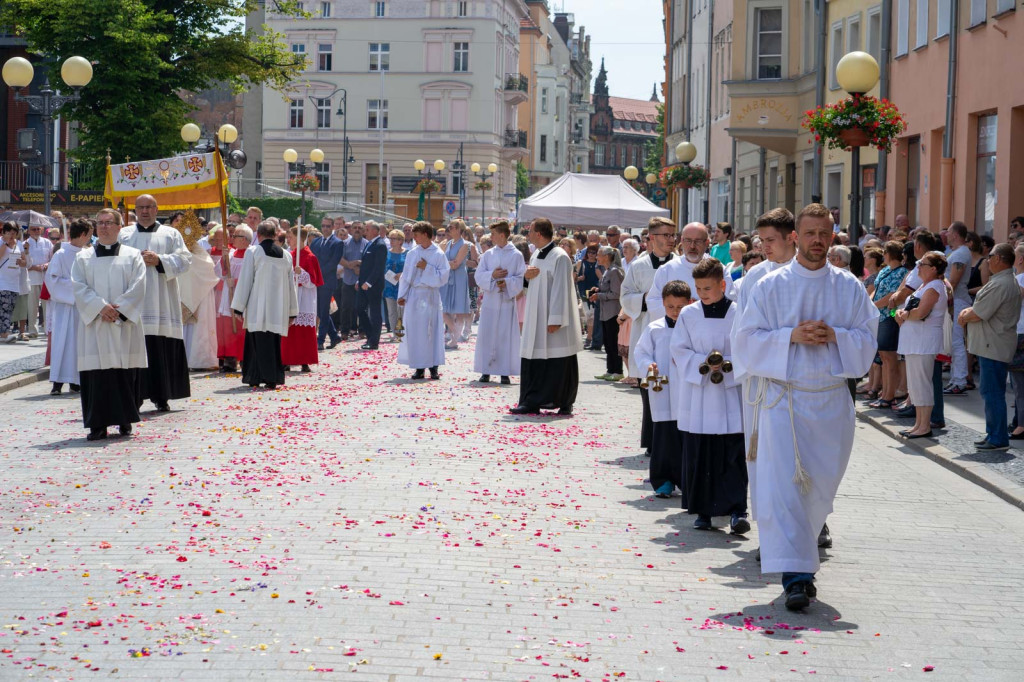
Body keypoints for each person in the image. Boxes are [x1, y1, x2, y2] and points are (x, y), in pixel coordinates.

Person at [733, 203, 878, 611]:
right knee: (785, 492)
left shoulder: (848, 286)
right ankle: (797, 578)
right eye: (811, 233)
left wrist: (836, 336)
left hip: (831, 401)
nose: (818, 240)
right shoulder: (770, 285)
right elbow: (744, 341)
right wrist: (789, 337)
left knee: (819, 493)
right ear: (796, 236)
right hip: (784, 402)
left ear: (834, 236)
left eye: (825, 233)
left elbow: (868, 338)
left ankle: (803, 559)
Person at [672, 258, 749, 534]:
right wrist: (702, 364)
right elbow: (679, 349)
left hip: (730, 394)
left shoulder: (739, 313)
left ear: (723, 285)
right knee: (700, 453)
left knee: (732, 452)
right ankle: (703, 511)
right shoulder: (689, 314)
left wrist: (727, 364)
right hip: (701, 394)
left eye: (708, 288)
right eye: (699, 288)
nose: (703, 294)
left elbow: (747, 348)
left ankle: (737, 510)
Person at [72, 208, 148, 441]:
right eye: (100, 223)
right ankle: (97, 424)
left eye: (108, 222)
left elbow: (139, 285)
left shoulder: (133, 255)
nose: (103, 227)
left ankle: (125, 419)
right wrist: (100, 307)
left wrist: (119, 310)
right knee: (96, 375)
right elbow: (78, 286)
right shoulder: (82, 257)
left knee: (124, 373)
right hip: (95, 325)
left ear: (118, 226)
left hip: (123, 325)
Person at [119, 194, 192, 412]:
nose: (144, 211)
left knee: (160, 349)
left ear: (156, 208)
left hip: (162, 300)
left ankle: (162, 396)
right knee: (135, 349)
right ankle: (135, 395)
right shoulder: (124, 234)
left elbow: (185, 260)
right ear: (135, 209)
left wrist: (160, 260)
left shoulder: (171, 233)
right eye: (140, 207)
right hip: (135, 301)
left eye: (149, 207)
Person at [511, 218, 584, 415]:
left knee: (558, 360)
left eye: (531, 231)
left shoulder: (560, 257)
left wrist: (556, 319)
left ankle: (564, 401)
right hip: (535, 316)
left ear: (540, 234)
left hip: (552, 321)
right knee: (534, 359)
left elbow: (562, 290)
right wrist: (526, 278)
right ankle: (531, 400)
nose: (528, 234)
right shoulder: (536, 253)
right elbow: (531, 283)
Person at [957, 243, 1022, 451]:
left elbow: (979, 312)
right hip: (991, 344)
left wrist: (965, 314)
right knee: (991, 391)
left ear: (998, 259)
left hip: (993, 345)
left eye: (990, 256)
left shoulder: (1001, 283)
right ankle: (993, 433)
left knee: (992, 392)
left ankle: (997, 437)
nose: (987, 260)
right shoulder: (1001, 281)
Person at [621, 217, 677, 454]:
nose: (671, 240)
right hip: (647, 331)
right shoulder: (639, 266)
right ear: (652, 238)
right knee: (651, 388)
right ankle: (653, 441)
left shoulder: (680, 265)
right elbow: (625, 296)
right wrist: (644, 300)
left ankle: (675, 439)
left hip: (675, 334)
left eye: (673, 235)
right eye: (666, 235)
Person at [633, 280, 691, 498]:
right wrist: (648, 365)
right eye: (670, 307)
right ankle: (663, 480)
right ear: (664, 305)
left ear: (689, 303)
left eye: (680, 307)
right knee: (664, 437)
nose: (675, 312)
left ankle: (686, 480)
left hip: (686, 390)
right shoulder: (654, 328)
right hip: (663, 390)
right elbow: (642, 352)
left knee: (686, 437)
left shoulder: (693, 327)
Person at [231, 220, 298, 390]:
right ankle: (273, 377)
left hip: (257, 307)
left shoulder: (253, 252)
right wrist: (291, 311)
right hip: (278, 309)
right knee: (273, 343)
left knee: (255, 343)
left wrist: (238, 306)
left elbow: (246, 279)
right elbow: (292, 286)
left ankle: (254, 377)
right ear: (275, 235)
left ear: (258, 235)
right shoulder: (286, 255)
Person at [894, 251, 948, 439]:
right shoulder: (925, 286)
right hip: (914, 341)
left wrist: (904, 315)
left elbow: (922, 312)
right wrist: (903, 314)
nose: (919, 267)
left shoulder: (934, 286)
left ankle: (924, 425)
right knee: (915, 385)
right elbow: (912, 311)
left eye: (923, 264)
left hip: (923, 342)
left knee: (922, 384)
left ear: (933, 269)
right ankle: (918, 423)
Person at [473, 220, 526, 384]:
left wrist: (508, 283)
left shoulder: (516, 255)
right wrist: (493, 276)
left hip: (506, 301)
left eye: (494, 234)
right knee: (487, 334)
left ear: (502, 235)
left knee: (505, 336)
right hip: (490, 300)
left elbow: (520, 277)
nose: (491, 237)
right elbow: (478, 275)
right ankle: (486, 370)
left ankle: (505, 371)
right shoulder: (488, 254)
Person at [397, 221, 450, 380]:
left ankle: (433, 367)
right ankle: (419, 367)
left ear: (425, 235)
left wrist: (426, 268)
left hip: (430, 295)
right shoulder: (412, 253)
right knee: (416, 331)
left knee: (431, 331)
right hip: (414, 295)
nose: (414, 237)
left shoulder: (438, 254)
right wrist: (402, 295)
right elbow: (406, 276)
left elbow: (443, 277)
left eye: (417, 234)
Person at [45, 218, 91, 394]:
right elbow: (52, 280)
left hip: (83, 307)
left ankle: (75, 381)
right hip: (65, 306)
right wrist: (76, 289)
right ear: (82, 235)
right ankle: (57, 382)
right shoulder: (61, 255)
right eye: (89, 235)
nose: (90, 238)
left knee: (78, 344)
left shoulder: (88, 254)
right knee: (62, 342)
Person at [647, 222, 729, 320]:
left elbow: (729, 300)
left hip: (708, 328)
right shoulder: (667, 269)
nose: (692, 246)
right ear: (681, 241)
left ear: (707, 243)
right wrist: (679, 310)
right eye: (688, 240)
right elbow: (653, 302)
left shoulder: (719, 269)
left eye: (697, 241)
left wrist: (700, 308)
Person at [869, 241, 908, 410]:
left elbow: (893, 295)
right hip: (879, 316)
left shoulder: (901, 272)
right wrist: (869, 302)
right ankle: (885, 393)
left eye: (885, 252)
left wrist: (874, 305)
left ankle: (889, 395)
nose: (883, 255)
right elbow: (876, 289)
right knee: (883, 357)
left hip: (888, 317)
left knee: (890, 357)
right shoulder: (885, 270)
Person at [281, 226, 323, 372]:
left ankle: (304, 360)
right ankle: (286, 359)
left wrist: (302, 273)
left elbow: (313, 281)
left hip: (304, 296)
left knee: (303, 331)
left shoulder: (310, 257)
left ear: (300, 239)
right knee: (289, 329)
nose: (288, 240)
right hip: (291, 295)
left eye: (291, 237)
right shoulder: (289, 255)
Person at [178, 229, 219, 371]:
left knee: (196, 330)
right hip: (180, 297)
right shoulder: (177, 255)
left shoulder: (203, 257)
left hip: (199, 299)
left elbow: (209, 273)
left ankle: (196, 360)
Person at [214, 225, 251, 372]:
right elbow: (219, 271)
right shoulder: (231, 254)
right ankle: (229, 359)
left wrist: (235, 282)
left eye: (235, 236)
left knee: (241, 330)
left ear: (245, 239)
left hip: (242, 297)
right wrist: (224, 258)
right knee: (228, 329)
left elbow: (252, 276)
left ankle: (244, 359)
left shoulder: (251, 255)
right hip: (228, 296)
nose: (232, 238)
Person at [945, 221, 973, 395]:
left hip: (958, 301)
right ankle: (956, 379)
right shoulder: (958, 252)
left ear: (955, 234)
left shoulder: (961, 253)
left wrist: (947, 300)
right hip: (955, 300)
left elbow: (953, 281)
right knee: (955, 342)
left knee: (957, 342)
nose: (946, 235)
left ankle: (960, 380)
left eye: (948, 231)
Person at [591, 246, 625, 381]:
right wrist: (598, 289)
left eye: (599, 254)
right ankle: (610, 369)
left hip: (613, 312)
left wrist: (599, 295)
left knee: (613, 342)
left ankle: (618, 371)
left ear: (606, 256)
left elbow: (616, 293)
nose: (596, 257)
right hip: (605, 312)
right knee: (607, 342)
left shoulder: (615, 271)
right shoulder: (607, 271)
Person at [309, 217, 344, 349]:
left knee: (323, 311)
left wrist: (316, 273)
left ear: (333, 227)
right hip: (316, 281)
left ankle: (320, 340)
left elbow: (333, 263)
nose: (325, 228)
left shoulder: (338, 243)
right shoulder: (316, 242)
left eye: (328, 226)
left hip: (327, 281)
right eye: (323, 226)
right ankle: (334, 336)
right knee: (320, 311)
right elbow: (311, 259)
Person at [440, 219, 472, 350]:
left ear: (459, 229)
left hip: (458, 278)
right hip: (447, 278)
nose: (449, 229)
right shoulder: (447, 243)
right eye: (448, 227)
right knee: (443, 308)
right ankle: (454, 332)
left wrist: (447, 264)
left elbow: (457, 263)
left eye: (451, 227)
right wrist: (449, 263)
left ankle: (454, 340)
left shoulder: (465, 244)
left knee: (458, 310)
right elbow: (444, 261)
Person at [357, 221, 388, 350]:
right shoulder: (369, 244)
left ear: (375, 231)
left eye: (368, 229)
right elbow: (365, 266)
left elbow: (378, 268)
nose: (365, 231)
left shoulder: (380, 245)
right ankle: (370, 336)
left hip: (373, 285)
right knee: (359, 308)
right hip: (364, 283)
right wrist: (360, 281)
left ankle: (374, 341)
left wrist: (368, 282)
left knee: (375, 313)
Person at [23, 222, 53, 337]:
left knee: (47, 306)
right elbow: (23, 261)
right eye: (33, 229)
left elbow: (52, 259)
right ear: (29, 231)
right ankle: (32, 330)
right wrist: (34, 267)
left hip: (45, 278)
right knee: (32, 306)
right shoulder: (25, 244)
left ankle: (47, 329)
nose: (36, 231)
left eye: (38, 229)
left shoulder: (47, 242)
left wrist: (45, 265)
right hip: (31, 278)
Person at [0, 222, 27, 343]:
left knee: (10, 308)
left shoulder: (19, 244)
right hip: (2, 281)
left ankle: (4, 331)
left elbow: (24, 262)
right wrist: (6, 244)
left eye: (14, 233)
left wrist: (21, 262)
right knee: (4, 307)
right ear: (3, 232)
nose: (12, 235)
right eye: (9, 232)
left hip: (14, 282)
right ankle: (5, 333)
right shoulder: (1, 242)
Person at [337, 222, 365, 339]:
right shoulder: (344, 244)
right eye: (355, 228)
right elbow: (339, 258)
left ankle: (363, 330)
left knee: (362, 307)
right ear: (351, 230)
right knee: (346, 307)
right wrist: (350, 265)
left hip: (362, 280)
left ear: (363, 230)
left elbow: (370, 260)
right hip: (348, 280)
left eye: (360, 228)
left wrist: (360, 266)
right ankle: (344, 331)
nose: (357, 230)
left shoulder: (367, 244)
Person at [384, 229, 407, 343]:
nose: (391, 240)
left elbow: (411, 269)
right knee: (392, 311)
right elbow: (382, 268)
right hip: (389, 286)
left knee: (401, 311)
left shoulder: (407, 253)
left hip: (402, 286)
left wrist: (402, 275)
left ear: (400, 240)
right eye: (390, 238)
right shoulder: (386, 252)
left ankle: (402, 332)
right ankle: (395, 334)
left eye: (394, 238)